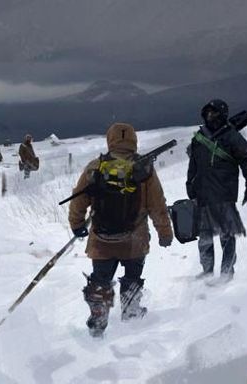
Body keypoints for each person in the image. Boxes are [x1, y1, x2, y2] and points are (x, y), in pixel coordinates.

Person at [69, 123, 173, 337]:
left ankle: (99, 317)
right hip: (135, 240)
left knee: (100, 279)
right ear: (133, 140)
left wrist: (77, 225)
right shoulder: (144, 170)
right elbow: (158, 205)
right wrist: (165, 232)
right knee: (132, 276)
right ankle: (131, 312)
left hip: (101, 240)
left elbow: (78, 200)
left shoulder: (95, 167)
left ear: (110, 140)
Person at [186, 99, 247, 282]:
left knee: (227, 235)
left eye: (214, 113)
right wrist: (190, 184)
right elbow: (193, 164)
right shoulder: (199, 138)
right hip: (203, 194)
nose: (210, 116)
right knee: (204, 237)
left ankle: (227, 271)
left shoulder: (232, 137)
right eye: (208, 113)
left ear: (222, 114)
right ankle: (207, 272)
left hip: (224, 194)